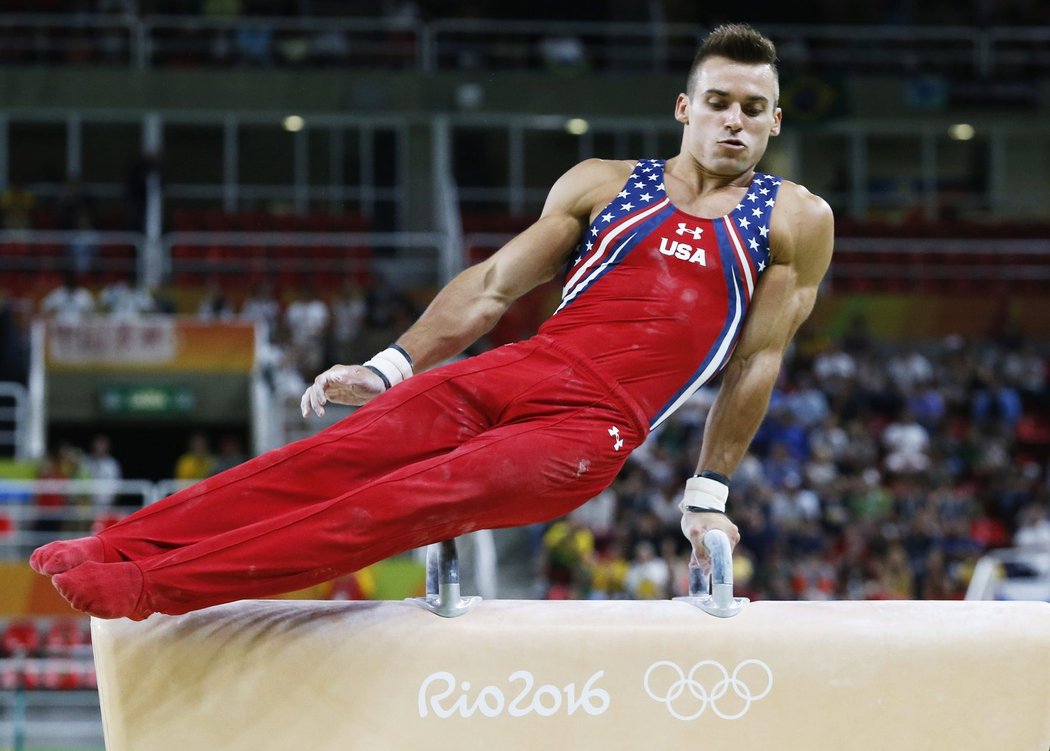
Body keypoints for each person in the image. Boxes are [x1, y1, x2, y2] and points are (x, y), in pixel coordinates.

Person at [31, 23, 834, 620]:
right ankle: (118, 544)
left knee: (405, 499)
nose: (734, 121)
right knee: (323, 458)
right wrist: (387, 366)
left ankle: (147, 586)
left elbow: (756, 360)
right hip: (516, 367)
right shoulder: (604, 184)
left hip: (589, 429)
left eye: (753, 109)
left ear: (774, 123)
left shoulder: (793, 220)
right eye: (720, 102)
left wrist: (706, 493)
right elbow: (490, 287)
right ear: (685, 107)